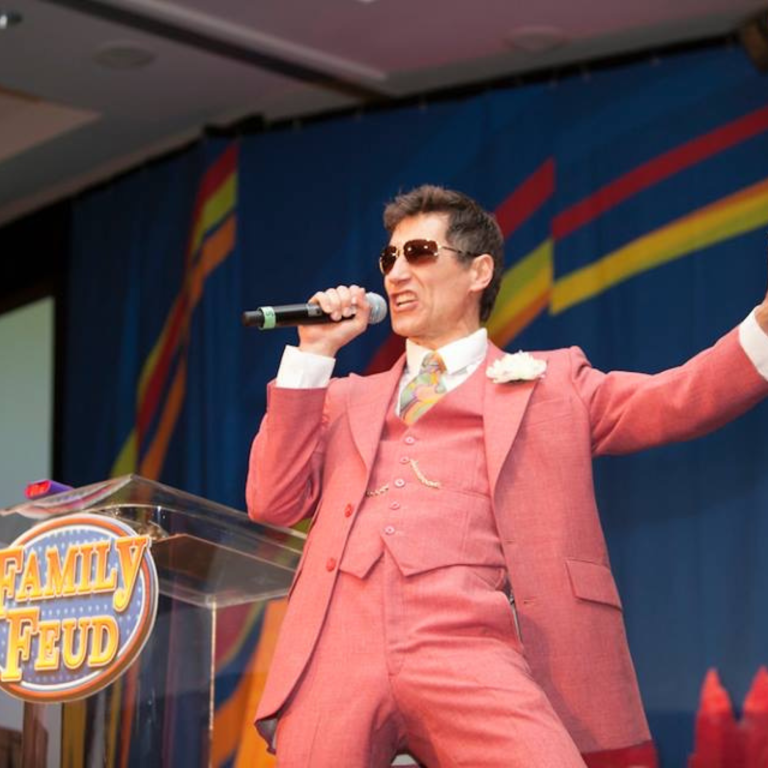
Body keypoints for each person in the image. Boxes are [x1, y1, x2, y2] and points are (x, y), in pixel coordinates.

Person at [246, 185, 768, 767]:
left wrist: (766, 326)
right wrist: (313, 354)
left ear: (478, 272)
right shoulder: (344, 397)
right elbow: (273, 500)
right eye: (388, 258)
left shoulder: (554, 384)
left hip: (470, 641)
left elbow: (679, 400)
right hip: (338, 645)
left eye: (418, 253)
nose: (396, 274)